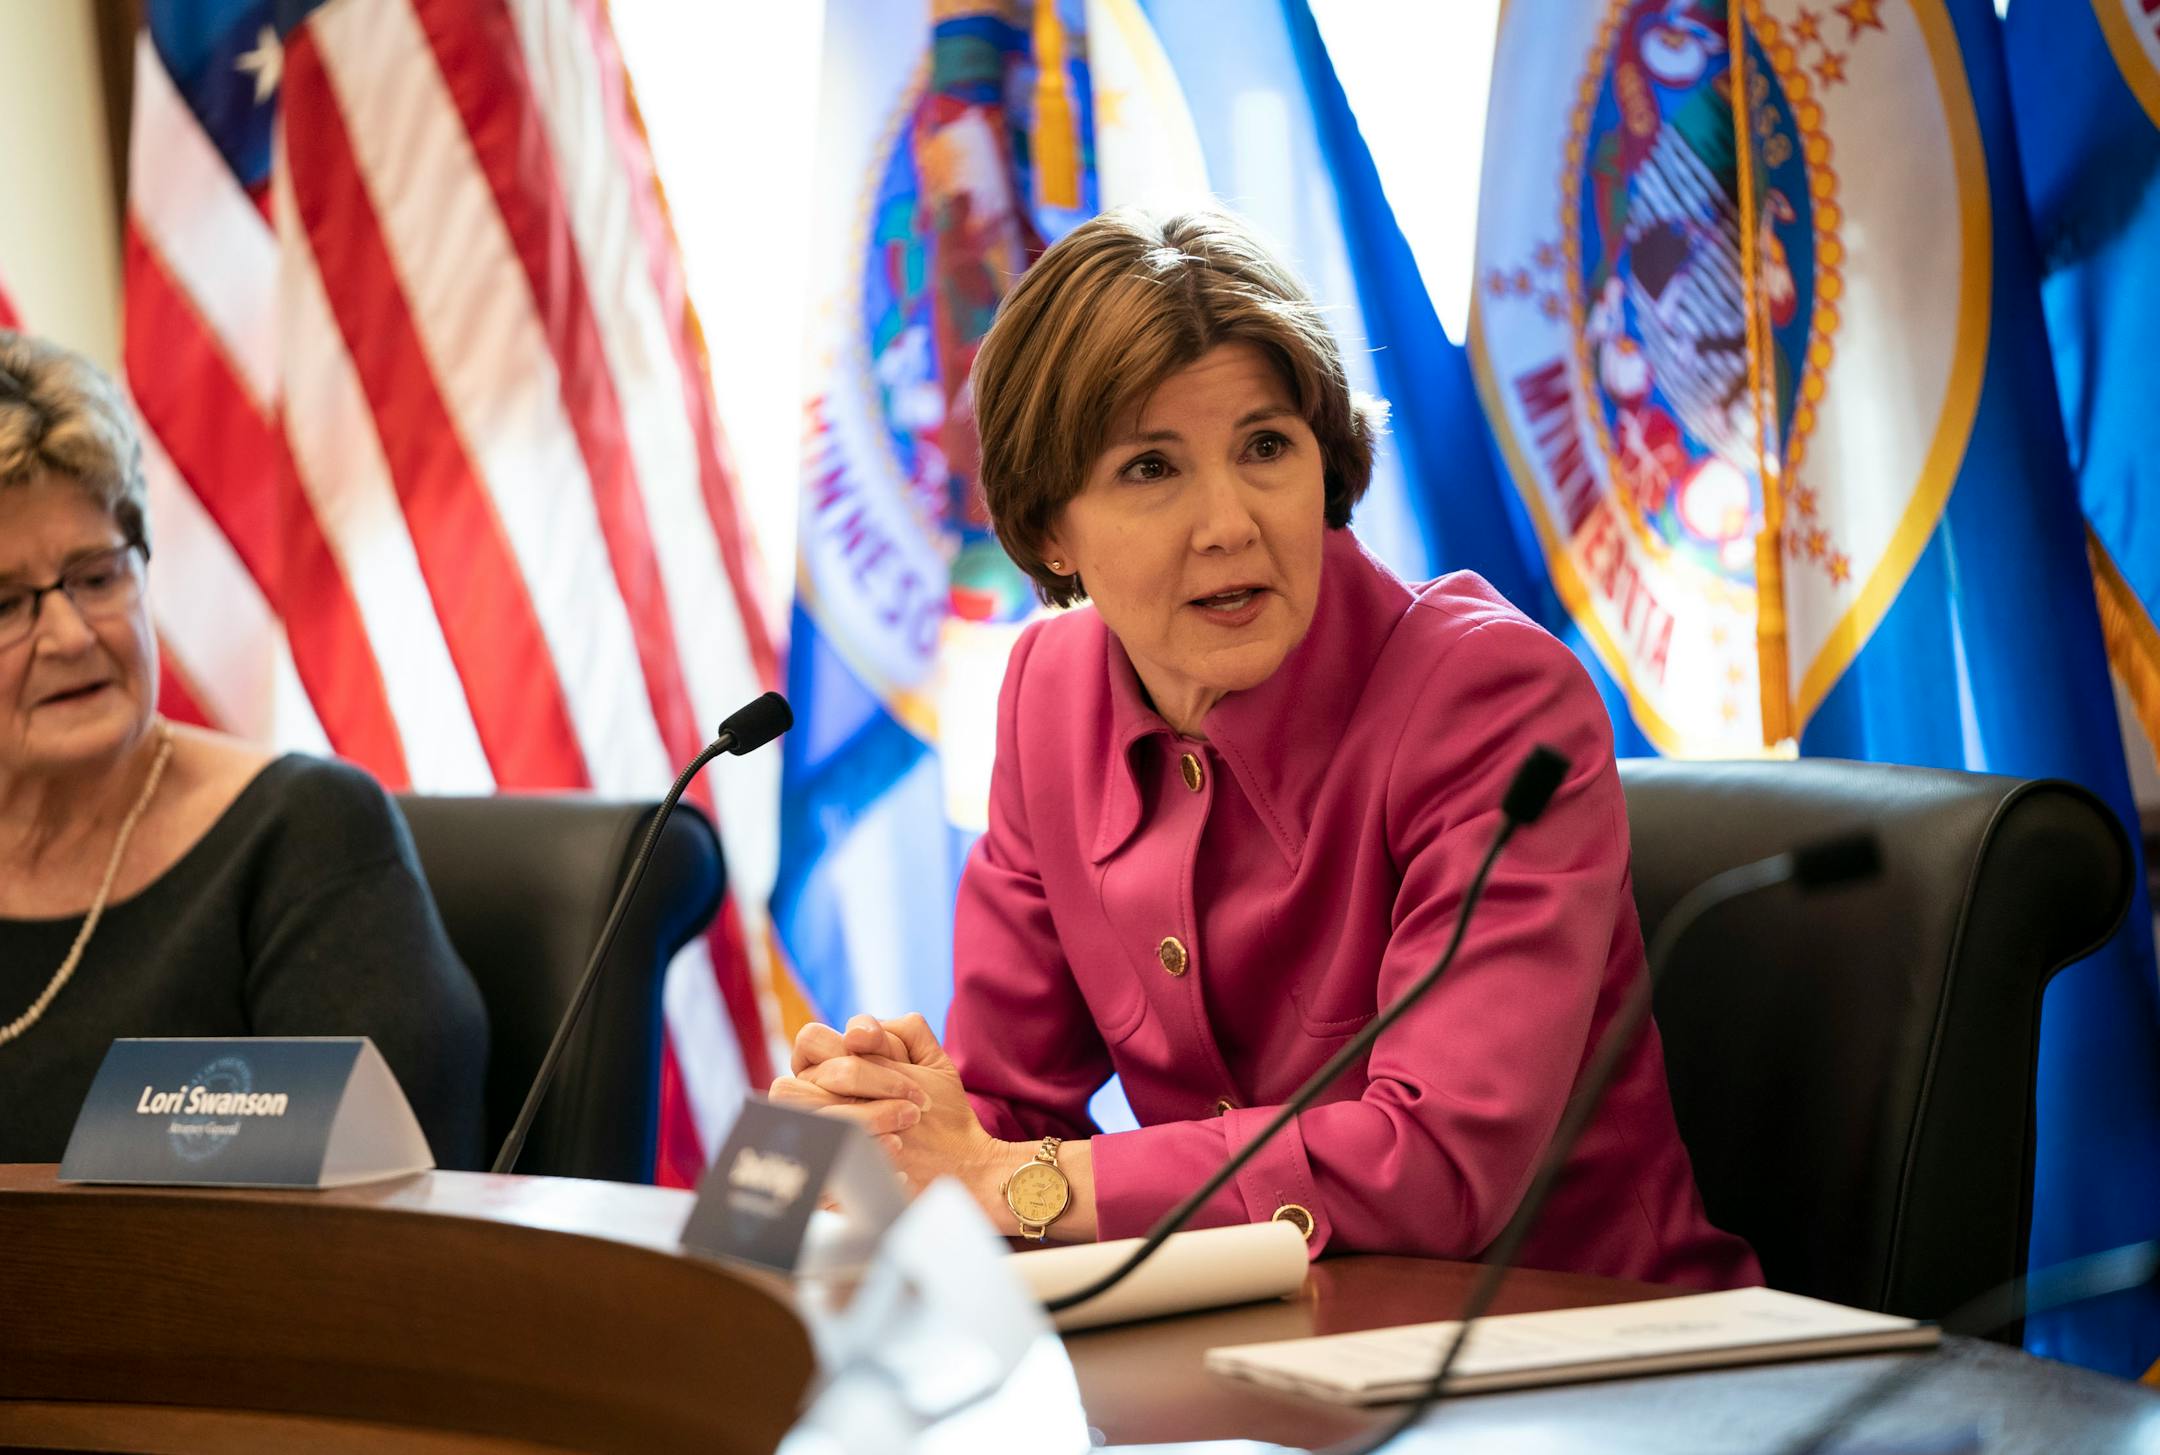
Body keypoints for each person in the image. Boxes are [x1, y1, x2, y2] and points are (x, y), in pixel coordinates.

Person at [773, 209, 1759, 1288]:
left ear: (1325, 465)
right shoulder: (1045, 698)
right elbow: (1005, 1109)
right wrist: (892, 1126)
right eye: (1152, 468)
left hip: (1587, 1357)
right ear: (1050, 530)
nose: (1231, 523)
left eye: (1266, 448)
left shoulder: (1491, 699)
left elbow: (1435, 1167)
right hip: (1253, 1352)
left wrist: (1008, 1182)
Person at [0, 329, 488, 1168]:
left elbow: (382, 1217)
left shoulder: (309, 836)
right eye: (7, 604)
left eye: (97, 575)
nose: (72, 635)